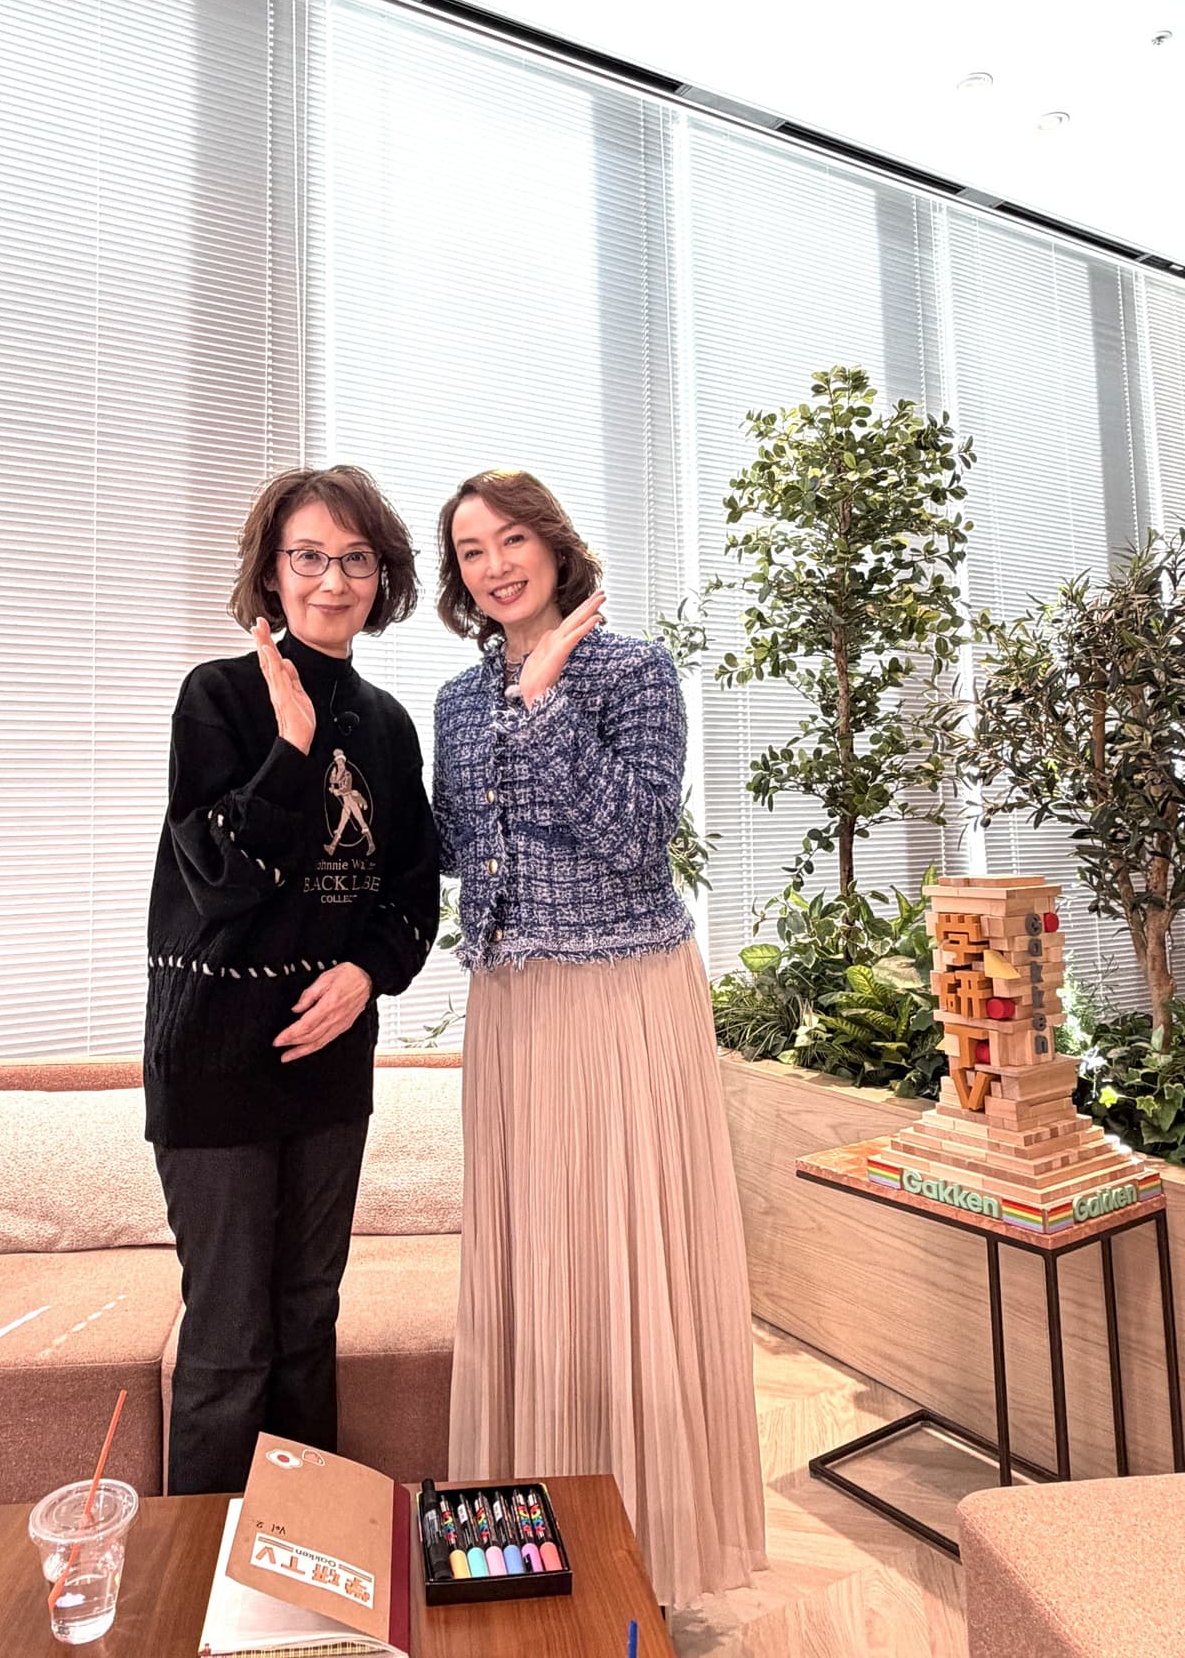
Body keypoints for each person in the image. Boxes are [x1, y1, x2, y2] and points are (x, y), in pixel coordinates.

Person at [433, 468, 766, 1608]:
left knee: (626, 1254)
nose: (495, 566)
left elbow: (637, 835)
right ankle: (547, 1543)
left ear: (555, 546)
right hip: (512, 1003)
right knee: (536, 1263)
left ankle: (651, 1551)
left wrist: (545, 703)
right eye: (471, 551)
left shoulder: (633, 670)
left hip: (623, 996)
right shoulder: (454, 701)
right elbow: (457, 843)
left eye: (511, 539)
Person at [144, 465, 439, 1494]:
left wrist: (366, 973)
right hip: (215, 1062)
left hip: (331, 1070)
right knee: (230, 1340)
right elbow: (224, 878)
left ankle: (304, 1557)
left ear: (381, 577)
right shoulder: (218, 698)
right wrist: (295, 742)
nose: (333, 579)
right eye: (309, 556)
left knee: (309, 1324)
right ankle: (199, 1575)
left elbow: (411, 891)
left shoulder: (390, 726)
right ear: (272, 572)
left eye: (356, 559)